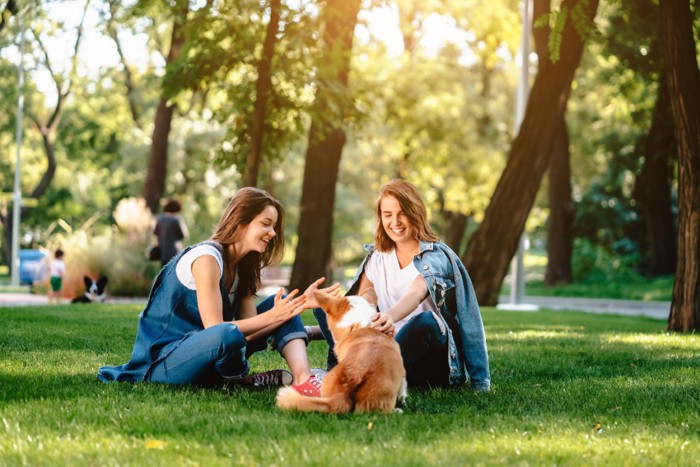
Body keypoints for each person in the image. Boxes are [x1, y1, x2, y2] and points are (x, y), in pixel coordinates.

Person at [99, 187, 339, 396]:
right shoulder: (206, 258)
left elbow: (250, 332)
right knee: (228, 332)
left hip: (209, 354)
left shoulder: (245, 266)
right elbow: (216, 330)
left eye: (274, 226)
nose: (273, 233)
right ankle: (240, 380)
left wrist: (291, 310)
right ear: (241, 222)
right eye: (266, 224)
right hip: (164, 360)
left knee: (285, 303)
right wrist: (275, 316)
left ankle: (304, 381)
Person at [313, 179, 491, 391]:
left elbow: (416, 293)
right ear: (380, 218)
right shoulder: (377, 257)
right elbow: (366, 298)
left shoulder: (435, 257)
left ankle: (361, 374)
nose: (395, 221)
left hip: (428, 361)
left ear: (415, 213)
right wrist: (337, 313)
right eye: (387, 214)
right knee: (322, 306)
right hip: (386, 350)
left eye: (402, 213)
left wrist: (390, 316)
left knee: (426, 321)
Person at [153, 198, 189, 267]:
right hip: (174, 252)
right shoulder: (176, 220)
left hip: (162, 252)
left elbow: (155, 233)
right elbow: (184, 235)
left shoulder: (159, 219)